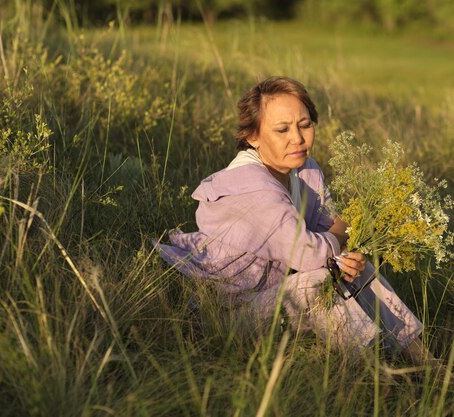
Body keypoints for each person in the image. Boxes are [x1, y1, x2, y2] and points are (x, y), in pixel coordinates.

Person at [155, 76, 434, 364]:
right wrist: (339, 245)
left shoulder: (304, 168)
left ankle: (425, 363)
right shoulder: (250, 184)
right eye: (282, 129)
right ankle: (374, 378)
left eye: (305, 125)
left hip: (269, 296)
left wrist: (347, 253)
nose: (298, 139)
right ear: (252, 136)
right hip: (226, 315)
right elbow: (311, 253)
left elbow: (333, 224)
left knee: (355, 269)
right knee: (318, 282)